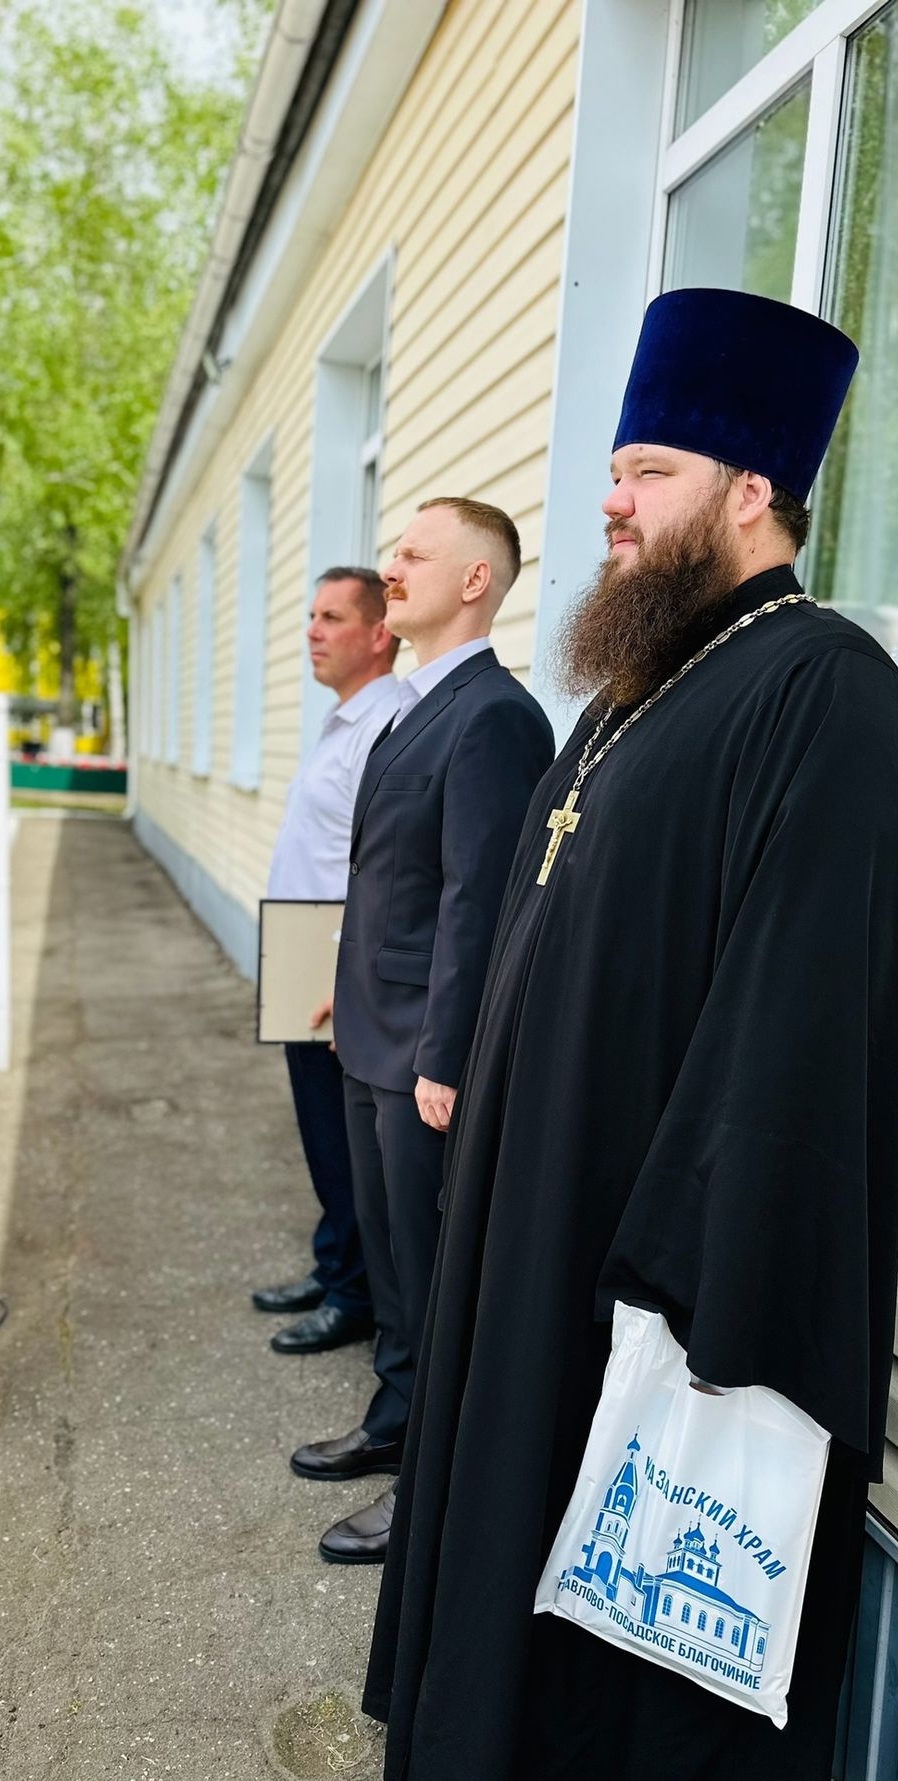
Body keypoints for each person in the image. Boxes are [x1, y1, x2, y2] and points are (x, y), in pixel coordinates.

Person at [363, 289, 898, 1781]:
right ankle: (495, 1769)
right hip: (535, 1200)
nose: (610, 501)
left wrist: (681, 1263)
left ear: (750, 491)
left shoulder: (827, 691)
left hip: (645, 1238)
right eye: (615, 469)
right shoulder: (636, 683)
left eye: (648, 470)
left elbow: (796, 1027)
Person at [290, 498, 554, 1565]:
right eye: (393, 552)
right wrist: (343, 991)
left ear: (476, 581)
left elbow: (474, 901)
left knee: (438, 1277)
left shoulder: (493, 716)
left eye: (413, 554)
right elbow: (388, 879)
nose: (390, 568)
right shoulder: (411, 705)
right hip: (371, 1031)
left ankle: (430, 1493)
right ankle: (394, 1417)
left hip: (422, 1056)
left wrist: (446, 1056)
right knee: (393, 1261)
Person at [252, 568, 402, 1357]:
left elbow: (384, 870)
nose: (312, 630)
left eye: (332, 617)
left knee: (345, 1139)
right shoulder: (344, 721)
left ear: (380, 633)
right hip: (301, 948)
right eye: (311, 615)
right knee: (318, 1127)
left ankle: (354, 1297)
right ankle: (333, 1263)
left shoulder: (385, 725)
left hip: (333, 958)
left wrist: (351, 979)